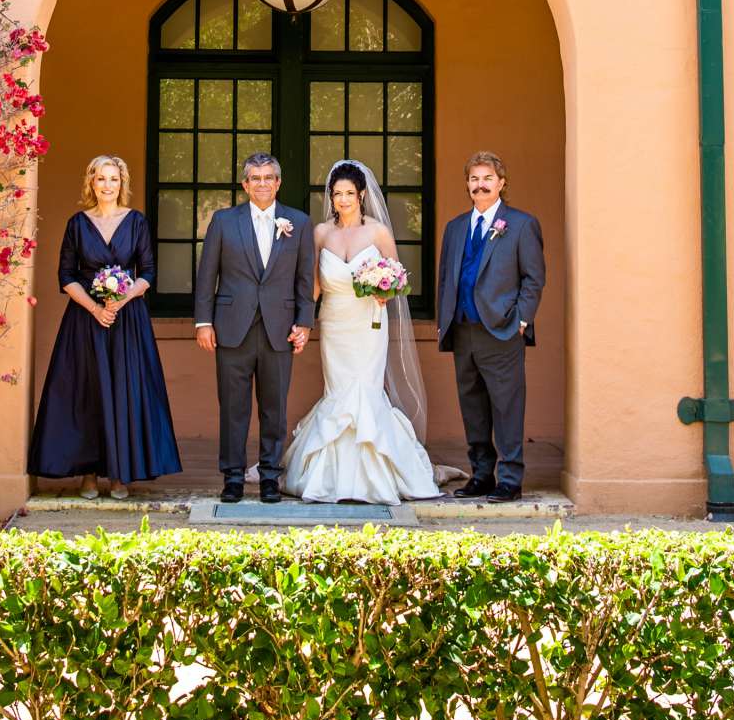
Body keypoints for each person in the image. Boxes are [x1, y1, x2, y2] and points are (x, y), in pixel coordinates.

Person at [287, 160, 441, 504]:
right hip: (334, 323)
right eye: (337, 194)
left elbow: (397, 277)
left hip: (369, 324)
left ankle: (376, 475)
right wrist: (300, 320)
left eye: (349, 194)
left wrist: (384, 290)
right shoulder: (321, 233)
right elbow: (313, 285)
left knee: (365, 390)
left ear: (362, 195)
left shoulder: (378, 233)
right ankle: (329, 476)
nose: (343, 200)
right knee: (338, 390)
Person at [28, 154, 181, 497]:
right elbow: (65, 275)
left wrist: (121, 300)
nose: (107, 185)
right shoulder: (77, 223)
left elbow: (148, 273)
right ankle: (87, 474)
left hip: (128, 321)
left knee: (125, 391)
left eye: (114, 179)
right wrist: (96, 309)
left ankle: (119, 475)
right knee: (88, 393)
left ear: (122, 184)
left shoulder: (136, 222)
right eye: (101, 179)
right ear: (91, 183)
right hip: (85, 321)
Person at [193, 152, 315, 504]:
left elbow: (305, 279)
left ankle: (269, 477)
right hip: (231, 327)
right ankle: (232, 477)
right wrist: (204, 322)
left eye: (268, 178)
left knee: (274, 407)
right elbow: (207, 276)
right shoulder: (223, 221)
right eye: (255, 178)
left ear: (278, 183)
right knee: (233, 406)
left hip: (279, 328)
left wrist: (304, 322)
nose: (262, 184)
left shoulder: (299, 223)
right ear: (245, 185)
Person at [434, 151, 545, 502]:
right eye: (474, 179)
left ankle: (509, 479)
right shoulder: (454, 229)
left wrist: (521, 320)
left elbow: (533, 279)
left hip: (502, 331)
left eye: (487, 179)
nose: (479, 186)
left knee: (507, 406)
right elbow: (445, 281)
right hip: (463, 330)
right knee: (473, 406)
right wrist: (445, 322)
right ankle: (481, 474)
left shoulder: (521, 225)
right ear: (467, 184)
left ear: (501, 183)